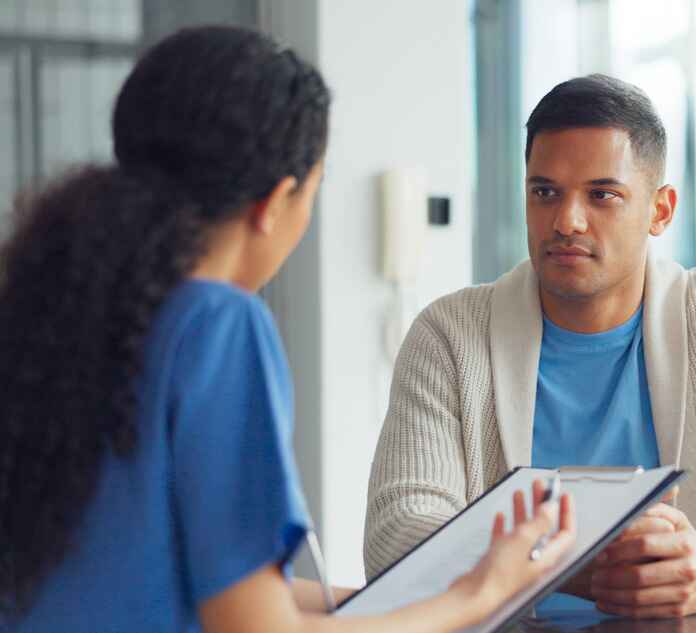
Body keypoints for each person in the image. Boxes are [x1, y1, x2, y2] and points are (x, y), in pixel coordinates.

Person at [0, 26, 574, 633]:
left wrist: (409, 599)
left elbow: (195, 583)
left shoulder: (56, 314)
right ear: (275, 202)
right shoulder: (217, 326)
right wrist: (482, 595)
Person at [365, 74, 696, 620]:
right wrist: (577, 564)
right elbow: (397, 537)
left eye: (602, 195)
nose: (567, 221)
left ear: (661, 210)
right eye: (545, 193)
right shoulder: (448, 335)